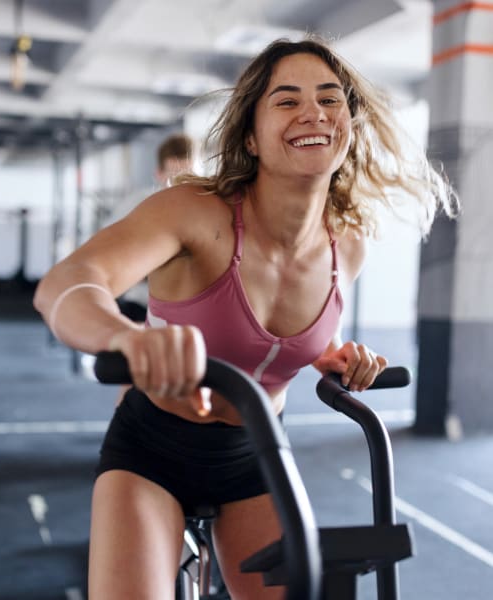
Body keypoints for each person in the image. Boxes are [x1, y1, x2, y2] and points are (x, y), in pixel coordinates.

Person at [34, 36, 458, 599]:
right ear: (252, 137)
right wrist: (126, 338)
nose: (314, 111)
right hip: (152, 452)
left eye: (330, 99)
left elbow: (284, 332)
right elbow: (65, 285)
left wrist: (327, 353)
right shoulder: (194, 214)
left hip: (255, 456)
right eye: (287, 100)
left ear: (347, 125)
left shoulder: (347, 247)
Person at [107, 132, 195, 322]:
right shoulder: (137, 205)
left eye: (188, 176)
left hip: (188, 310)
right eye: (174, 178)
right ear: (159, 174)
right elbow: (109, 249)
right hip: (142, 304)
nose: (181, 186)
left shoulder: (206, 210)